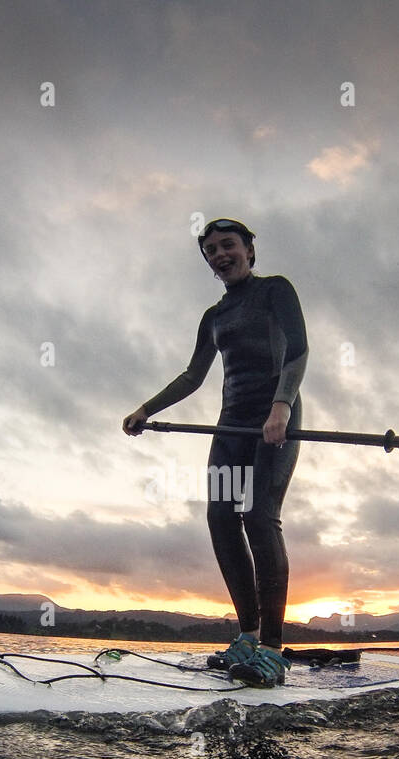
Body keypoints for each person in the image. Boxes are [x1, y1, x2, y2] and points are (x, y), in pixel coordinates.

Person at [122, 218, 308, 687]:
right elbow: (193, 375)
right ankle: (246, 635)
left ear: (249, 249)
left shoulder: (276, 291)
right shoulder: (214, 317)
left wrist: (281, 406)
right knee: (221, 518)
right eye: (210, 250)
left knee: (259, 517)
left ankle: (272, 648)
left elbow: (299, 351)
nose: (220, 254)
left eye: (228, 245)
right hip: (230, 427)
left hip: (273, 421)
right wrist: (146, 408)